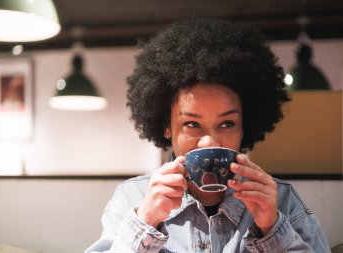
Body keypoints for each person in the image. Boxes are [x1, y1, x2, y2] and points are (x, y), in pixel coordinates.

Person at [85, 18, 330, 253]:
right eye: (192, 124)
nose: (210, 142)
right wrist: (145, 222)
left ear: (244, 126)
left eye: (226, 123)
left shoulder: (280, 200)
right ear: (166, 126)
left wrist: (272, 229)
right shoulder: (133, 197)